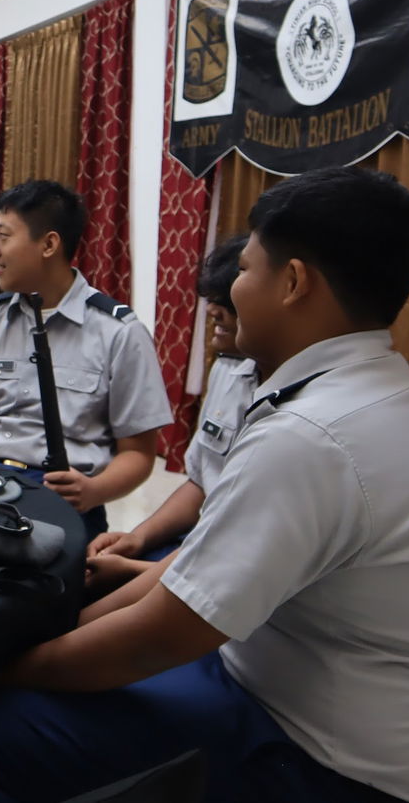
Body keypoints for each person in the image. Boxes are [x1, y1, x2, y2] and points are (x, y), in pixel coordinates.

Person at [0, 167, 409, 803]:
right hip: (267, 680)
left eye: (246, 270)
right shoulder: (367, 395)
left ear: (295, 282)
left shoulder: (311, 436)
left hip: (318, 759)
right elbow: (194, 580)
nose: (233, 290)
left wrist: (5, 669)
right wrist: (64, 623)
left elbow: (154, 640)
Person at [0, 180, 169, 537]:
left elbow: (139, 454)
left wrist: (94, 491)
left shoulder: (118, 332)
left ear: (48, 244)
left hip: (68, 502)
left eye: (3, 237)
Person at [84, 235, 259, 595]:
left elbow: (237, 541)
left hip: (224, 572)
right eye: (212, 301)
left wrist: (135, 569)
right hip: (190, 548)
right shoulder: (229, 370)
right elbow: (200, 483)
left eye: (226, 302)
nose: (212, 312)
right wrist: (136, 539)